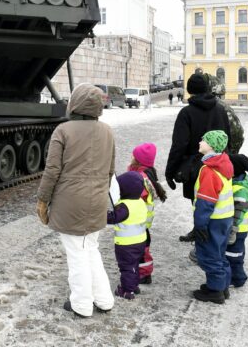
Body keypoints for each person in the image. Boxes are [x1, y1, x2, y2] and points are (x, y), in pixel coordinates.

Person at [36, 84, 116, 318]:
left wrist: (42, 200)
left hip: (70, 203)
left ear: (75, 104)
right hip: (97, 201)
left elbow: (52, 170)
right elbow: (110, 171)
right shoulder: (107, 131)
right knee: (90, 249)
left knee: (77, 254)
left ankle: (81, 303)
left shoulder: (63, 130)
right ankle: (103, 299)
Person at [165, 73, 231, 242]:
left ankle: (201, 231)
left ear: (189, 90)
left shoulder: (187, 113)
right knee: (215, 199)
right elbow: (227, 138)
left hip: (194, 165)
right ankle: (207, 230)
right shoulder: (220, 109)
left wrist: (170, 171)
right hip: (218, 163)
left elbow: (179, 144)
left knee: (198, 200)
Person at [191, 130, 234, 304]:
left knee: (209, 254)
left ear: (212, 146)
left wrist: (200, 224)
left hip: (213, 220)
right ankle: (223, 285)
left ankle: (215, 291)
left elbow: (206, 201)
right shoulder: (223, 164)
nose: (200, 141)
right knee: (219, 252)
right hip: (225, 217)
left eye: (205, 140)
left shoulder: (209, 170)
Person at [127, 143, 166, 284]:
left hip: (139, 220)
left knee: (140, 248)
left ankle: (144, 274)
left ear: (138, 160)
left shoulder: (140, 177)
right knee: (141, 247)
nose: (131, 156)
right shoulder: (141, 174)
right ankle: (142, 271)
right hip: (141, 221)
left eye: (134, 155)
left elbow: (137, 196)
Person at [107, 171, 148, 300]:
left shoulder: (125, 206)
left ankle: (126, 290)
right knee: (134, 264)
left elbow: (114, 218)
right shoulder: (140, 202)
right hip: (140, 241)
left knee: (126, 267)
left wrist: (103, 214)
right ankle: (134, 285)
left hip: (126, 244)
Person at [226, 154, 248, 288]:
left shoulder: (241, 190)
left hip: (238, 229)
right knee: (236, 252)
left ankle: (238, 278)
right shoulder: (239, 182)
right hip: (238, 229)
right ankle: (235, 275)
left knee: (234, 255)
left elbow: (238, 213)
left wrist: (232, 228)